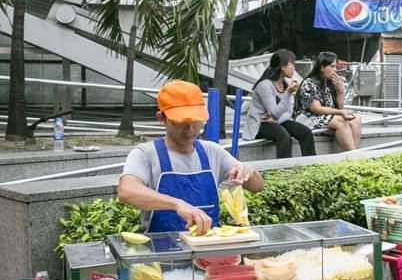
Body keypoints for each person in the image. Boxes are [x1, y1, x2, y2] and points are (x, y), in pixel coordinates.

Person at [117, 80, 264, 233]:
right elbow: (127, 190)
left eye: (196, 121)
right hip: (161, 250)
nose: (190, 129)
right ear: (161, 118)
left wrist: (248, 171)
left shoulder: (212, 151)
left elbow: (257, 187)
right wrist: (177, 204)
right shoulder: (145, 154)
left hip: (207, 248)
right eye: (180, 122)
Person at [242, 50, 316, 159]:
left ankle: (311, 166)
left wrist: (277, 120)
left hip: (278, 121)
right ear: (282, 67)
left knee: (305, 132)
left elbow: (289, 112)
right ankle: (284, 171)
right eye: (292, 65)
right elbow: (274, 112)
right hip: (260, 124)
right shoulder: (265, 85)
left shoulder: (285, 84)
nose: (294, 68)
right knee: (284, 137)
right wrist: (288, 93)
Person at [294, 51, 362, 151]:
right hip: (308, 118)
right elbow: (317, 109)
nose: (335, 70)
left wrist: (340, 91)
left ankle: (353, 153)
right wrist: (340, 112)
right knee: (341, 121)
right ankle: (354, 156)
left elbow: (339, 107)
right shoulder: (309, 83)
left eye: (336, 67)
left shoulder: (330, 83)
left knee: (356, 119)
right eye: (332, 66)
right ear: (322, 67)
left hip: (327, 117)